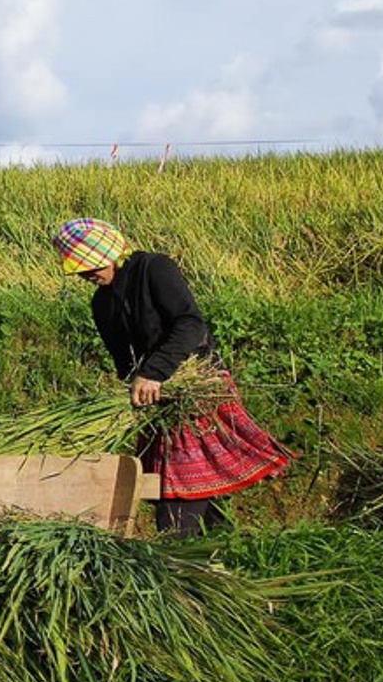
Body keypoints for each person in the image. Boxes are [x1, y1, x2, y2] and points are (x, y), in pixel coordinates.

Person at [52, 218, 290, 535]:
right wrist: (133, 390)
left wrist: (154, 372)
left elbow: (191, 324)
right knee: (193, 478)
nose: (87, 274)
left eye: (91, 264)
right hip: (157, 401)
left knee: (180, 482)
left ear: (110, 252)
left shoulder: (154, 269)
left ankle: (181, 557)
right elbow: (125, 361)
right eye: (80, 269)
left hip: (195, 387)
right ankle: (215, 552)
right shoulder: (102, 303)